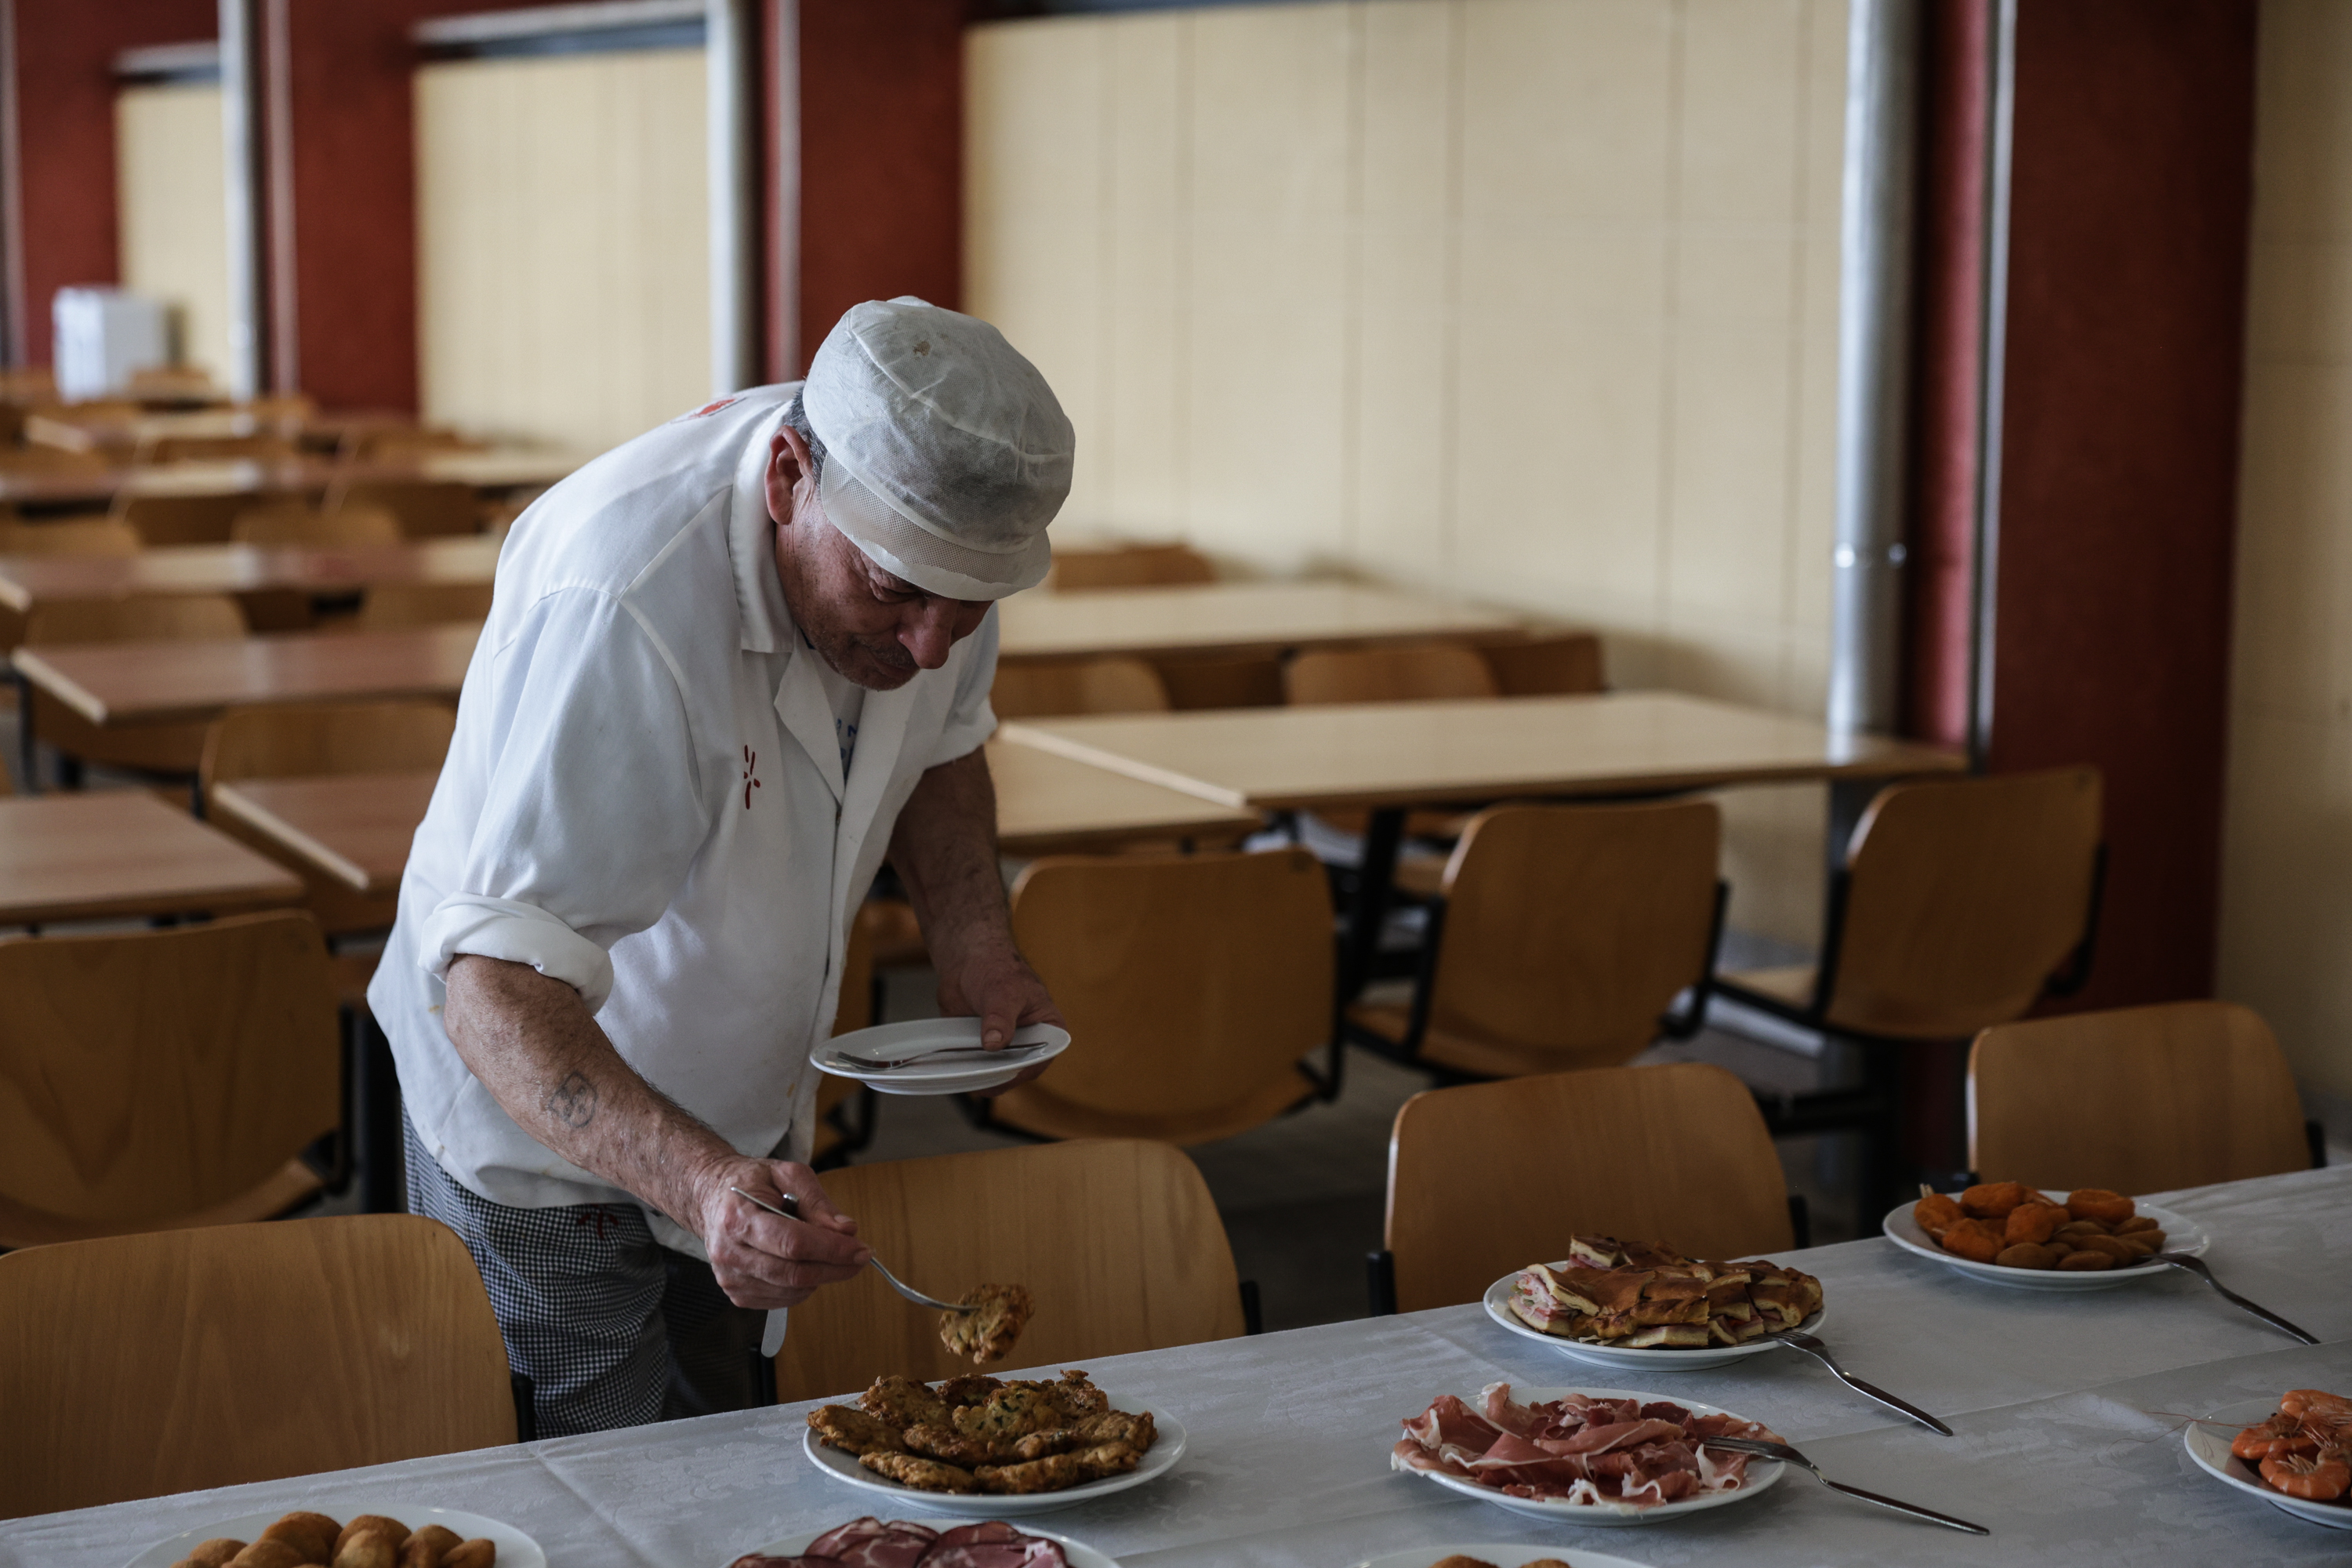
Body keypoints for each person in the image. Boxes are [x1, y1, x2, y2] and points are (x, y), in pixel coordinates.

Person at [368, 297, 1074, 1436]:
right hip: (543, 1121)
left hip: (742, 1112)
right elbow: (493, 987)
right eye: (897, 592)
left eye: (974, 604)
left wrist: (977, 942)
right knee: (605, 1493)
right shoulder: (624, 602)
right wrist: (699, 1184)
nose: (933, 644)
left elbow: (946, 740)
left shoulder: (931, 540)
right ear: (790, 475)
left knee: (725, 1461)